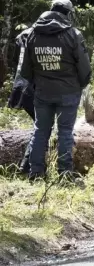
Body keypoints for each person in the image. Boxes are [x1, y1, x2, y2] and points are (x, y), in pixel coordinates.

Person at [22, 0, 91, 181]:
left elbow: (25, 72)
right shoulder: (73, 34)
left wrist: (39, 83)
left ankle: (36, 173)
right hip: (68, 93)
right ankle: (65, 173)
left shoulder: (32, 34)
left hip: (43, 93)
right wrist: (79, 85)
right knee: (65, 132)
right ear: (68, 13)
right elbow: (85, 69)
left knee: (40, 131)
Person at [6, 25, 35, 175]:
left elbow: (16, 61)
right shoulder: (38, 35)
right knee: (42, 127)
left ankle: (28, 165)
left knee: (41, 126)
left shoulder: (22, 36)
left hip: (19, 85)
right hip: (30, 87)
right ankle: (26, 167)